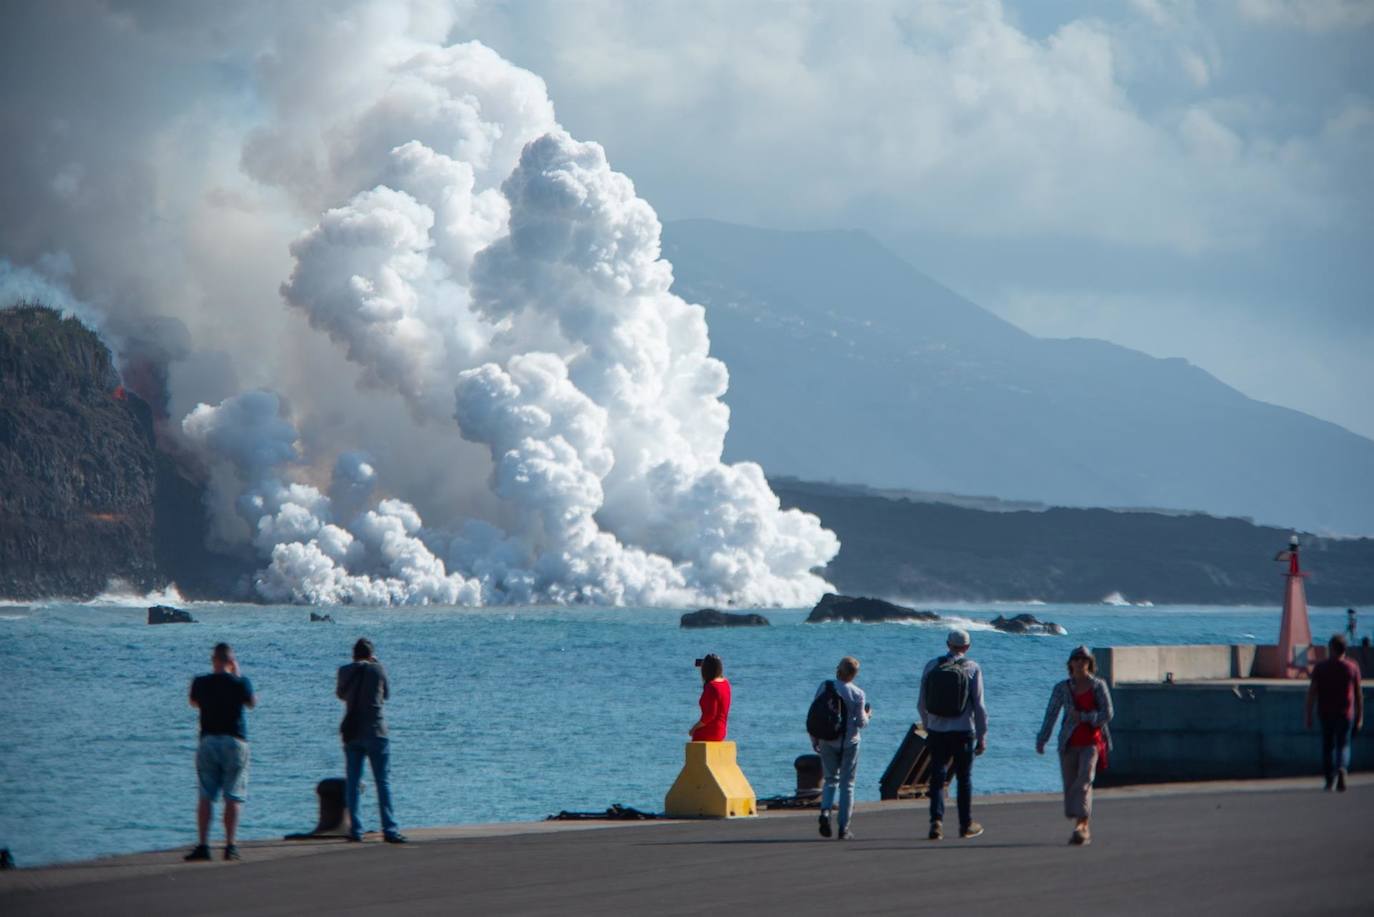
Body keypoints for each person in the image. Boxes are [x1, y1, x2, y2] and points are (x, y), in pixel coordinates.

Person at [1036, 646, 1114, 845]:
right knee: (1071, 783)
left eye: (1084, 659)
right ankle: (1078, 819)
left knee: (1085, 779)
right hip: (1069, 743)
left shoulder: (1098, 685)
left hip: (1092, 741)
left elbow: (1108, 713)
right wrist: (1042, 738)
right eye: (1076, 659)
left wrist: (1085, 717)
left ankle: (1082, 826)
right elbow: (1051, 714)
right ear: (1070, 663)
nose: (1080, 662)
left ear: (1090, 663)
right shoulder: (1062, 688)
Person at [185, 643, 256, 862]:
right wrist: (238, 674)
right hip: (234, 741)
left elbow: (193, 703)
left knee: (206, 795)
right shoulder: (240, 683)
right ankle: (230, 845)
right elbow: (252, 703)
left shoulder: (200, 682)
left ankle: (204, 845)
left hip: (208, 740)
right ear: (230, 660)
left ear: (213, 660)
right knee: (232, 796)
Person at [918, 628, 988, 840]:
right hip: (964, 731)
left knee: (937, 778)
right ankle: (965, 824)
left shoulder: (932, 666)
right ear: (967, 647)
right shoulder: (972, 668)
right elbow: (979, 706)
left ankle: (936, 822)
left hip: (937, 731)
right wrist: (982, 734)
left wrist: (928, 724)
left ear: (948, 644)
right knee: (964, 778)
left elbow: (921, 703)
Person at [338, 638, 406, 843]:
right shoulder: (378, 669)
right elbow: (386, 695)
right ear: (371, 654)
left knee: (353, 782)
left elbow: (340, 694)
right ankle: (390, 829)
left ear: (353, 655)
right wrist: (375, 665)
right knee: (382, 782)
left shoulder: (344, 671)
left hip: (353, 731)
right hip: (377, 731)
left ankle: (355, 830)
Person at [810, 656, 871, 840]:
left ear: (838, 670)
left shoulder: (825, 686)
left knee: (830, 780)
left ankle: (825, 811)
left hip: (827, 740)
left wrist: (815, 738)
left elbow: (815, 714)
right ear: (854, 674)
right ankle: (843, 828)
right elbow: (861, 722)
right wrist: (869, 715)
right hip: (849, 742)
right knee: (847, 785)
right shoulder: (858, 693)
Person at [1305, 634, 1364, 792]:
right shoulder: (1352, 667)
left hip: (1325, 712)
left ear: (1331, 649)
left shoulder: (1321, 667)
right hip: (1346, 713)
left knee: (1328, 746)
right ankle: (1342, 769)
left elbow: (1312, 693)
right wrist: (1360, 716)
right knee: (1343, 744)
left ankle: (1329, 779)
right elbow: (1358, 694)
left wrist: (1308, 715)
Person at [688, 654, 730, 741]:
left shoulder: (711, 687)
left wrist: (693, 728)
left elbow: (709, 715)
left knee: (696, 734)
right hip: (721, 731)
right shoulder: (726, 683)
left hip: (711, 732)